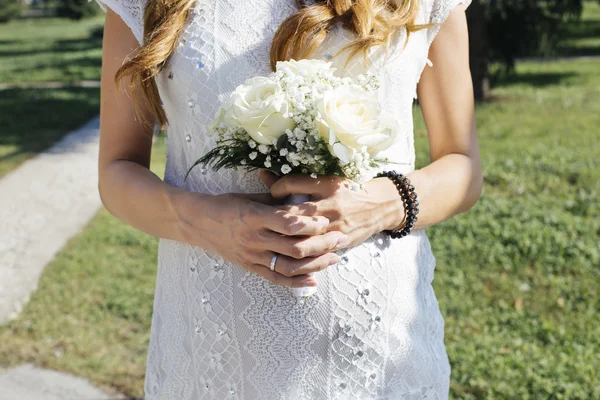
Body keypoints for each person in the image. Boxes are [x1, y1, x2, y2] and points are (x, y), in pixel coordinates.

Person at [96, 0, 482, 398]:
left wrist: (381, 204)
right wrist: (203, 219)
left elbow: (462, 165)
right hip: (212, 355)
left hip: (378, 354)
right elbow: (117, 169)